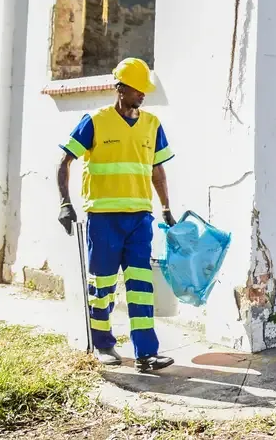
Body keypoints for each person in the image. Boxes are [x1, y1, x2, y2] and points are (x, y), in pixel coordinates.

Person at [56, 58, 176, 372]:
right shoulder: (95, 121)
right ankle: (103, 344)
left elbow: (157, 170)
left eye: (145, 90)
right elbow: (64, 161)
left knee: (141, 287)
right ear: (120, 88)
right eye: (137, 89)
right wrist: (64, 203)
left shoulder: (152, 124)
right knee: (103, 286)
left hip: (139, 218)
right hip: (103, 219)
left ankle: (146, 354)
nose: (143, 95)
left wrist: (165, 208)